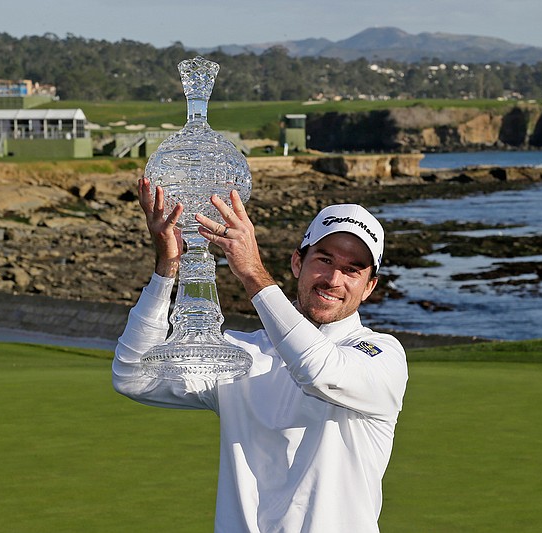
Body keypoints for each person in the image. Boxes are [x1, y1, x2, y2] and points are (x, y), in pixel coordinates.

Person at [113, 178, 408, 533]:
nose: (332, 279)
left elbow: (317, 369)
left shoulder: (382, 355)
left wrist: (252, 272)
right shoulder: (241, 353)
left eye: (352, 270)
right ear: (298, 263)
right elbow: (134, 377)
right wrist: (166, 268)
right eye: (324, 260)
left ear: (369, 287)